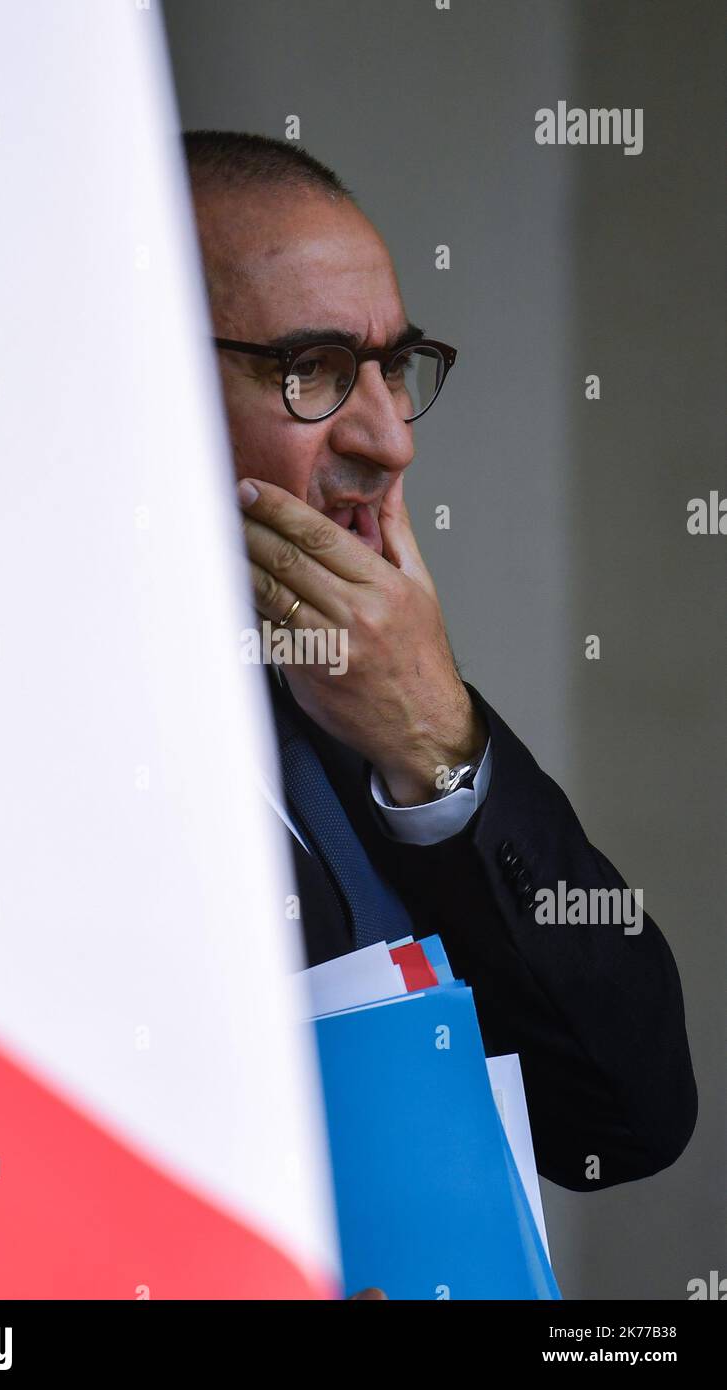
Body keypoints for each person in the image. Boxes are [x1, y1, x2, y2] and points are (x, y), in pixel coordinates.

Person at [184, 129, 697, 1193]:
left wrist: (436, 746)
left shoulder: (363, 692)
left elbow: (627, 1121)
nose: (390, 439)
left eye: (392, 367)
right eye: (311, 370)